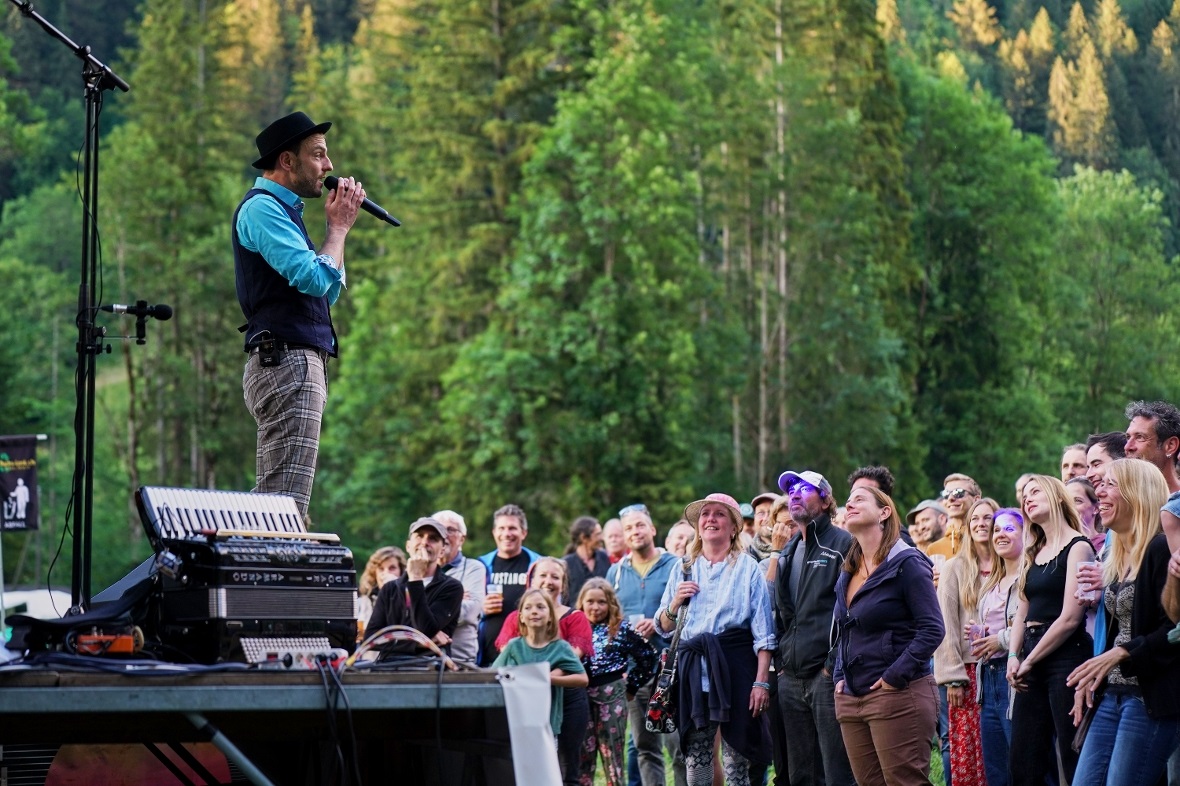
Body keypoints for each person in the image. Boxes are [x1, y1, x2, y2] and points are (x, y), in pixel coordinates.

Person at [234, 111, 365, 515]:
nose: (329, 166)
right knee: (284, 502)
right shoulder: (263, 208)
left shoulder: (285, 212)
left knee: (283, 497)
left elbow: (326, 292)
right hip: (287, 360)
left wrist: (336, 232)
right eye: (319, 155)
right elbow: (313, 279)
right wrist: (338, 230)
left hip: (292, 360)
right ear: (288, 161)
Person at [1066, 458, 1180, 786]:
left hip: (1148, 699)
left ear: (1136, 493)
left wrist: (1122, 653)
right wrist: (1094, 674)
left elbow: (1173, 630)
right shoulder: (1117, 556)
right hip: (1112, 694)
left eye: (1110, 484)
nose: (1099, 492)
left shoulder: (1160, 549)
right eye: (1100, 485)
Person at [655, 493, 775, 786]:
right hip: (694, 672)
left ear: (734, 528)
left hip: (736, 670)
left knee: (737, 762)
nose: (710, 519)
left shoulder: (748, 568)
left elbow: (764, 635)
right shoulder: (683, 567)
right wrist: (675, 602)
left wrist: (761, 683)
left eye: (719, 514)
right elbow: (662, 627)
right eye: (705, 514)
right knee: (696, 761)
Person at [833, 485, 944, 786]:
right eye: (848, 500)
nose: (849, 504)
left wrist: (894, 676)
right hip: (852, 697)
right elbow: (844, 629)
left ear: (884, 512)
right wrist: (840, 674)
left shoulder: (908, 563)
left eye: (859, 499)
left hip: (898, 693)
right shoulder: (848, 569)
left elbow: (933, 628)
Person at [1006, 475, 1096, 786]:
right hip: (1030, 653)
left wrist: (1029, 660)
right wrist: (1013, 656)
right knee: (1023, 759)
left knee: (1072, 754)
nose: (1027, 499)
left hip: (1066, 657)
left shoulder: (1079, 547)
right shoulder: (1033, 552)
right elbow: (1021, 612)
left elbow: (1070, 618)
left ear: (1058, 497)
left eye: (1035, 492)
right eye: (1024, 495)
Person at [774, 470, 856, 786]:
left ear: (825, 500)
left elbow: (851, 612)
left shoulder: (843, 543)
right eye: (791, 489)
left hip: (825, 677)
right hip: (790, 677)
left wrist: (830, 667)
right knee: (800, 776)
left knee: (836, 773)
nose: (794, 493)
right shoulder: (789, 548)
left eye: (805, 488)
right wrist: (782, 665)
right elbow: (781, 613)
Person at [607, 504, 687, 786]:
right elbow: (609, 619)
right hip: (635, 673)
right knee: (645, 747)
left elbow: (691, 611)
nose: (635, 531)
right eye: (629, 528)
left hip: (672, 670)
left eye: (640, 525)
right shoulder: (616, 573)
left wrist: (659, 622)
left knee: (679, 747)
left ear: (652, 530)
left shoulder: (676, 565)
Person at [496, 557, 594, 786]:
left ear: (563, 584)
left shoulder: (574, 618)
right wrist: (532, 679)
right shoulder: (516, 620)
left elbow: (574, 659)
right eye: (543, 575)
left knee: (567, 765)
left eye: (555, 577)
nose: (548, 581)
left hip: (566, 700)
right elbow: (505, 659)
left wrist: (537, 677)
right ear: (531, 580)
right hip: (525, 701)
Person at [934, 497, 998, 786]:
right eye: (975, 519)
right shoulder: (954, 567)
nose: (981, 524)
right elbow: (945, 625)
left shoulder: (1011, 563)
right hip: (968, 673)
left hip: (1003, 668)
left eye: (988, 518)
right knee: (968, 750)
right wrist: (953, 677)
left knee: (997, 752)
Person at [577, 578, 659, 786]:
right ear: (582, 603)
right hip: (580, 697)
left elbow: (648, 656)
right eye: (590, 602)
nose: (595, 607)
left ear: (610, 604)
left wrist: (631, 687)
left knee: (613, 758)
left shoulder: (621, 628)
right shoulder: (574, 628)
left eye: (601, 602)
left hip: (612, 697)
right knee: (582, 757)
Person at [968, 508, 1025, 786]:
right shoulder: (991, 582)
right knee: (996, 769)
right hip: (987, 678)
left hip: (1013, 677)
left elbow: (1035, 624)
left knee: (1020, 765)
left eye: (1009, 528)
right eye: (997, 530)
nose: (1001, 534)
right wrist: (980, 634)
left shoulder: (1029, 577)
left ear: (1026, 535)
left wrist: (999, 639)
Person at [493, 588, 589, 741]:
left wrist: (548, 679)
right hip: (519, 721)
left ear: (550, 616)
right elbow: (493, 674)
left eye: (540, 607)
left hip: (548, 724)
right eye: (528, 608)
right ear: (521, 617)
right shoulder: (514, 646)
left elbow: (583, 679)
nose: (534, 611)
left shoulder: (561, 647)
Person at [366, 518, 464, 659]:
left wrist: (415, 578)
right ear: (408, 546)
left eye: (433, 538)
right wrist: (416, 643)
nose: (424, 542)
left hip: (429, 667)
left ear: (442, 551)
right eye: (419, 536)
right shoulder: (390, 588)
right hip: (388, 666)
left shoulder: (451, 587)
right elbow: (371, 639)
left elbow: (426, 630)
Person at [478, 503, 543, 666]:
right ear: (494, 532)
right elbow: (464, 608)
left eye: (512, 528)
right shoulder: (479, 566)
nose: (506, 534)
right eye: (501, 528)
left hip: (528, 657)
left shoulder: (539, 565)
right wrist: (481, 608)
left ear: (524, 533)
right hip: (486, 658)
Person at [432, 509, 487, 666]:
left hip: (460, 662)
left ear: (462, 539)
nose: (444, 535)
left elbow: (468, 613)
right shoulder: (419, 570)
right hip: (421, 661)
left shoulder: (474, 568)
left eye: (450, 530)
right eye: (438, 529)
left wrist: (425, 606)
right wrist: (454, 600)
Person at [928, 474, 982, 562]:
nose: (950, 498)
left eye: (958, 493)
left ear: (976, 500)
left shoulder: (987, 541)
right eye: (946, 494)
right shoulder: (933, 549)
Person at [356, 546, 407, 634]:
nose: (386, 573)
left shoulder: (409, 599)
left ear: (401, 571)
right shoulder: (364, 602)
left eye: (392, 568)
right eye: (381, 569)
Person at [564, 516, 611, 601]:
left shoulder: (604, 557)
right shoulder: (566, 564)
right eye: (597, 534)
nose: (602, 538)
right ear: (584, 538)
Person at [1065, 477, 1104, 552]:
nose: (1069, 506)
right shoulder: (1055, 546)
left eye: (1077, 501)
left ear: (1096, 508)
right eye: (1066, 501)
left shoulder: (1105, 546)